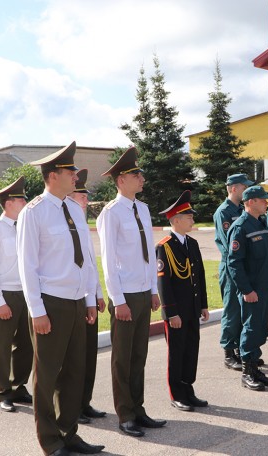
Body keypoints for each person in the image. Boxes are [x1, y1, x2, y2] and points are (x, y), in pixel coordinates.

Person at [16, 142, 104, 456]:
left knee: (74, 371)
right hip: (50, 303)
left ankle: (70, 433)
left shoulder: (73, 209)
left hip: (77, 301)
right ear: (54, 175)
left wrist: (91, 297)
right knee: (47, 373)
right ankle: (50, 441)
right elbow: (27, 265)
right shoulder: (34, 212)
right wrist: (37, 310)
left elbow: (88, 257)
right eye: (70, 172)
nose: (75, 177)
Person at [97, 146, 166, 438]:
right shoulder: (110, 213)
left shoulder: (143, 208)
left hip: (142, 292)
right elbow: (108, 260)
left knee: (139, 356)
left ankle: (139, 410)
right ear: (121, 180)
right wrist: (118, 300)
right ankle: (125, 414)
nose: (142, 178)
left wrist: (153, 289)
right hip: (124, 296)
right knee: (122, 359)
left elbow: (148, 255)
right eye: (137, 174)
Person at [0, 176, 33, 414]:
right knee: (2, 347)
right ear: (10, 202)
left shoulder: (25, 227)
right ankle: (3, 392)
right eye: (22, 198)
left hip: (27, 293)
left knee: (26, 345)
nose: (26, 201)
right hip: (6, 295)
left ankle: (19, 386)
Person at [156, 191, 210, 411]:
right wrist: (171, 313)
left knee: (191, 349)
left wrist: (203, 305)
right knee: (176, 353)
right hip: (177, 312)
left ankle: (188, 389)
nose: (192, 220)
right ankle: (176, 393)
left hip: (192, 309)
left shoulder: (192, 243)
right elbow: (163, 284)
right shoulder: (165, 246)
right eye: (188, 217)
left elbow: (200, 276)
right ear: (176, 220)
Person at [227, 185, 268, 391]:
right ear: (250, 202)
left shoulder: (261, 223)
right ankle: (247, 372)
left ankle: (255, 368)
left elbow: (267, 257)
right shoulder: (240, 227)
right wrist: (246, 290)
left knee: (260, 328)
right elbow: (234, 263)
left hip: (264, 287)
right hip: (252, 290)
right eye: (263, 199)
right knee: (250, 328)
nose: (266, 203)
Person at [68, 169, 108, 425]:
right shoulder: (67, 222)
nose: (86, 201)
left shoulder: (82, 222)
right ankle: (73, 407)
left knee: (88, 355)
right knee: (74, 359)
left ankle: (84, 402)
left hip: (89, 298)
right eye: (82, 196)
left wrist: (98, 293)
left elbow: (90, 265)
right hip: (74, 299)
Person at [214, 174, 254, 371]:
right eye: (244, 187)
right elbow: (228, 245)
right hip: (232, 268)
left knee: (242, 310)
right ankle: (229, 352)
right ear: (233, 188)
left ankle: (240, 350)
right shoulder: (224, 212)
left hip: (244, 267)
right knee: (231, 310)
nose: (247, 190)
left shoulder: (241, 209)